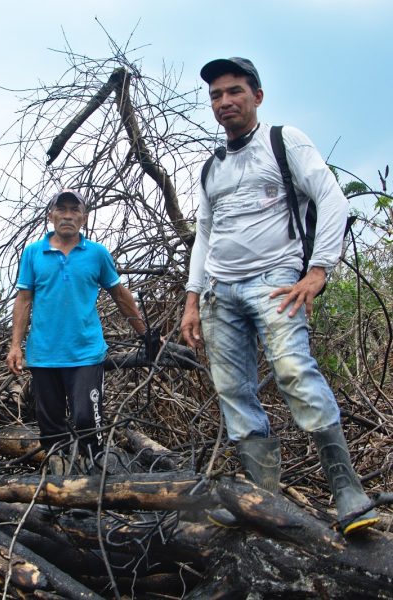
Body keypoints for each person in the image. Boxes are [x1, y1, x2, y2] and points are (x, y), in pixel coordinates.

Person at [180, 57, 378, 534]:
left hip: (276, 281)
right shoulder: (211, 168)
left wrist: (319, 271)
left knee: (293, 370)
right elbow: (205, 233)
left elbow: (332, 198)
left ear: (257, 96)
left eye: (234, 92)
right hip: (219, 292)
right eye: (216, 95)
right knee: (233, 392)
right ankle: (263, 502)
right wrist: (192, 298)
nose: (224, 101)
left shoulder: (283, 141)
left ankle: (348, 490)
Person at [7, 188, 146, 472]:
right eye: (62, 210)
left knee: (86, 420)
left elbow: (119, 294)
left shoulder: (96, 254)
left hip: (85, 353)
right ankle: (59, 487)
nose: (67, 215)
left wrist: (145, 333)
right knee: (51, 427)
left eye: (74, 210)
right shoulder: (34, 253)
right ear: (51, 215)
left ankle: (94, 478)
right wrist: (15, 346)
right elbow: (23, 300)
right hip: (44, 354)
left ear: (83, 218)